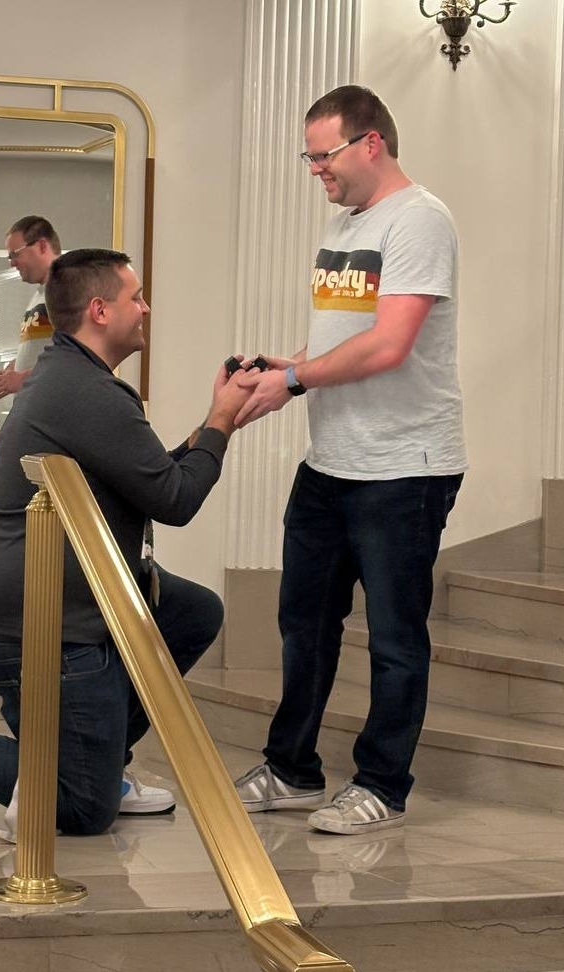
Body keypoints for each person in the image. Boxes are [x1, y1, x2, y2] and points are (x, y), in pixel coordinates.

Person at [0, 248, 252, 836]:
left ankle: (100, 759)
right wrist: (220, 421)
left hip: (70, 604)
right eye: (136, 297)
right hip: (42, 626)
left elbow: (149, 478)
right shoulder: (86, 391)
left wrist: (219, 422)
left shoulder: (71, 376)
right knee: (82, 807)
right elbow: (175, 501)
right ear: (100, 310)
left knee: (192, 612)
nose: (145, 308)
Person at [233, 85, 467, 835]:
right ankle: (292, 769)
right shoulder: (344, 223)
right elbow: (344, 334)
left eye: (322, 155)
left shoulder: (420, 219)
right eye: (308, 157)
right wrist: (287, 364)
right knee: (303, 621)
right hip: (331, 462)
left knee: (395, 637)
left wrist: (297, 379)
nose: (315, 170)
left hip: (404, 467)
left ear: (371, 143)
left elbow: (390, 345)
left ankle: (383, 785)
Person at [0, 215, 61, 403]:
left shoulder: (67, 290)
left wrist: (21, 379)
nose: (11, 263)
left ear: (42, 246)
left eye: (15, 254)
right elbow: (40, 352)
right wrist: (8, 374)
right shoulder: (40, 295)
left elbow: (72, 359)